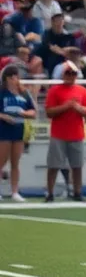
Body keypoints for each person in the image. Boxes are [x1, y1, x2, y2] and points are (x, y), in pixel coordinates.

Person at [44, 62, 86, 201]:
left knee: (77, 165)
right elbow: (49, 112)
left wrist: (78, 108)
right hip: (59, 134)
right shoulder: (55, 90)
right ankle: (49, 193)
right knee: (53, 165)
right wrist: (66, 106)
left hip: (76, 133)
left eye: (73, 74)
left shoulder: (82, 91)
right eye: (68, 73)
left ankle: (77, 192)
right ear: (63, 74)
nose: (70, 76)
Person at [0, 66, 35, 201]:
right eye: (15, 77)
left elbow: (33, 111)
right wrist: (4, 116)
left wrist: (24, 113)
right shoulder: (2, 92)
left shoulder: (24, 93)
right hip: (4, 128)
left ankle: (15, 191)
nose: (17, 80)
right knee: (1, 161)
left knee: (15, 162)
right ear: (8, 78)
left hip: (19, 129)